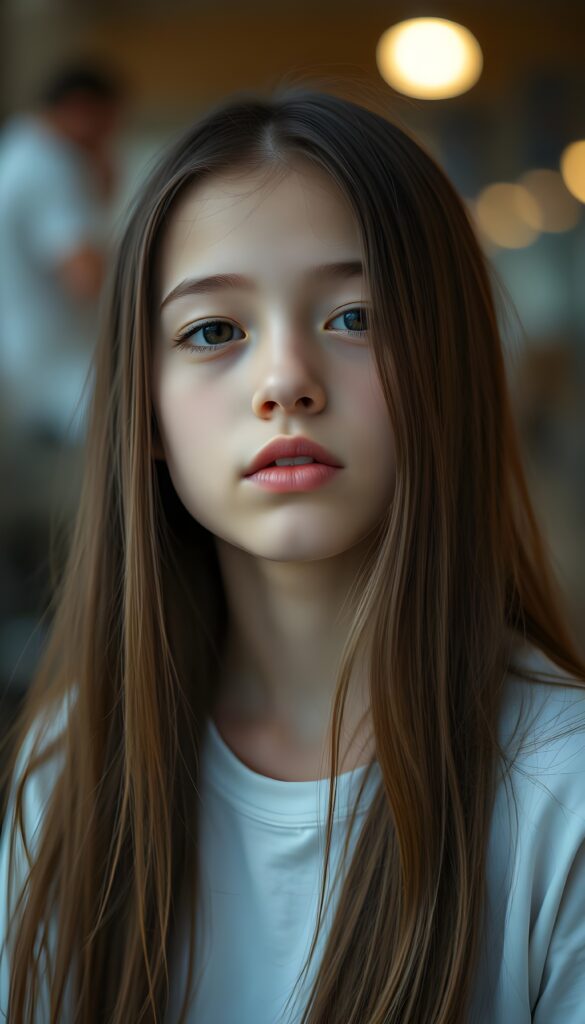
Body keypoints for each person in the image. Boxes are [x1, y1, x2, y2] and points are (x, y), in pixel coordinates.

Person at [0, 86, 584, 1023]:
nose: (284, 382)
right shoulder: (69, 767)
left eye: (354, 317)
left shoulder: (564, 791)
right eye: (213, 332)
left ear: (452, 367)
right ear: (143, 413)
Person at [0, 61, 124, 443]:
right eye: (109, 123)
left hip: (25, 356)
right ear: (81, 108)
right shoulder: (50, 164)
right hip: (57, 368)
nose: (112, 136)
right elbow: (86, 277)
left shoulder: (18, 146)